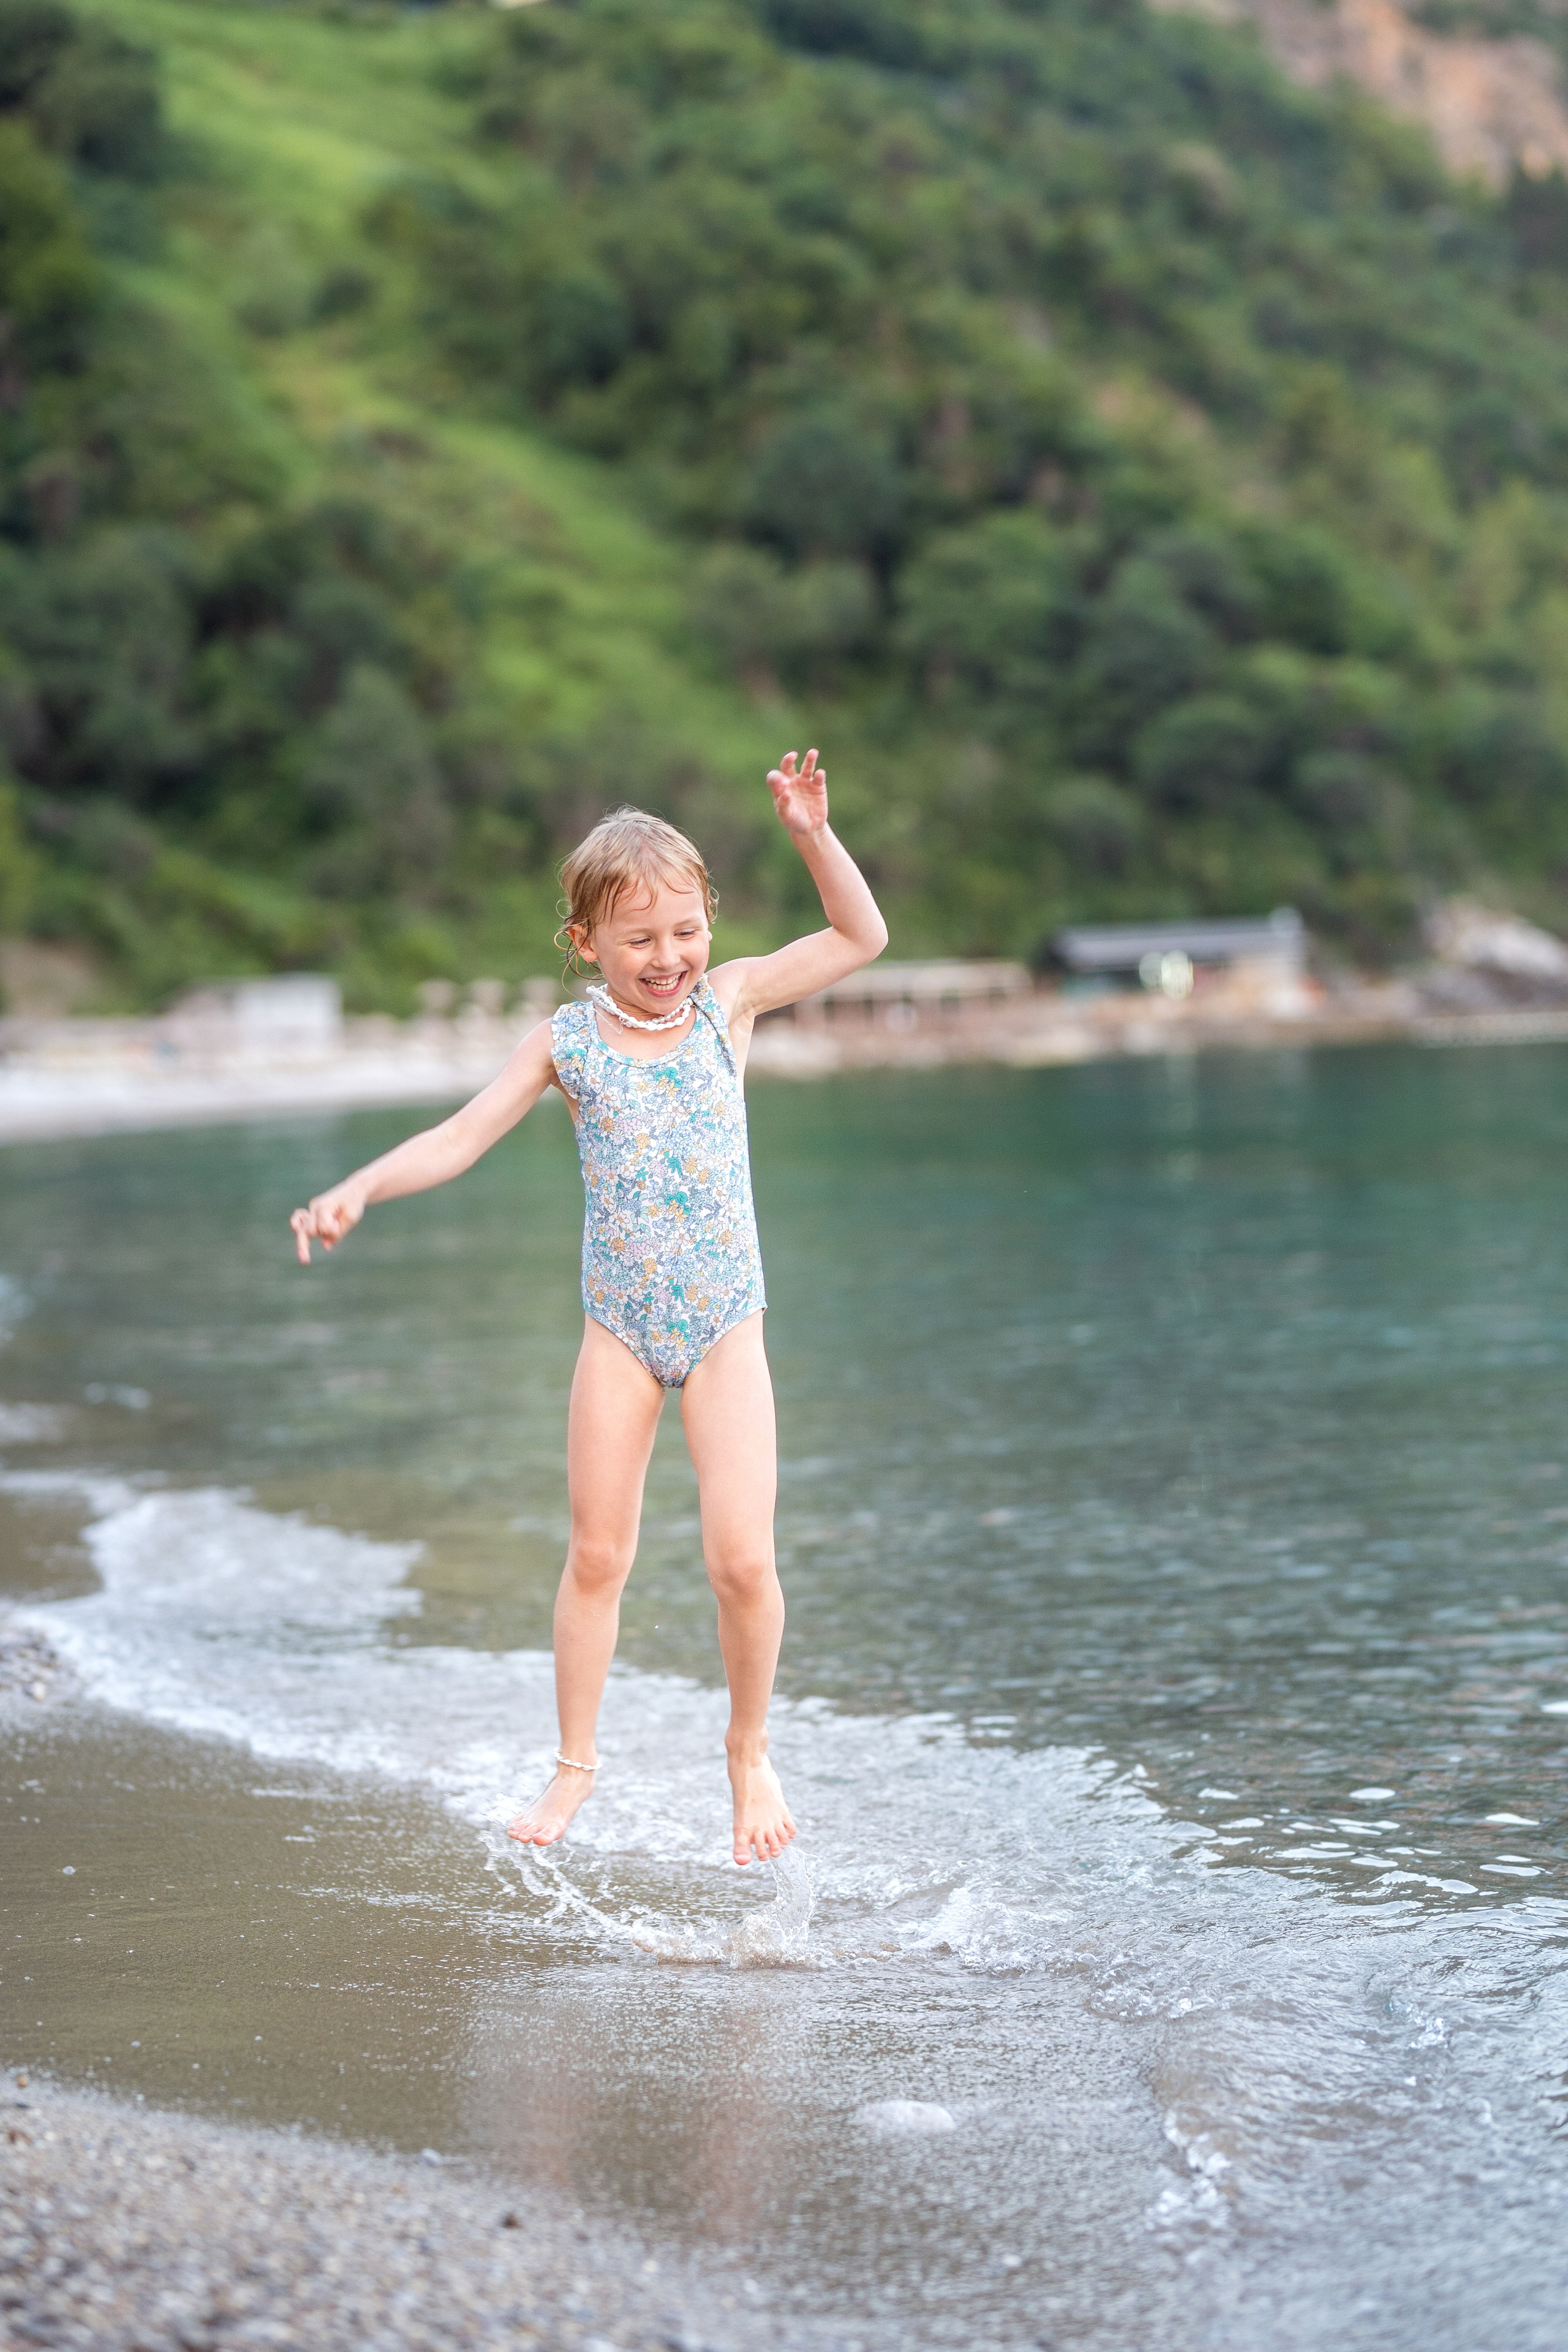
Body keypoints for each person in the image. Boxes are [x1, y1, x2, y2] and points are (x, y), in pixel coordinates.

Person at [290, 748, 887, 1864]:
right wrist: (361, 1184)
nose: (668, 959)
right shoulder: (566, 1043)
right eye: (639, 940)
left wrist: (811, 835)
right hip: (617, 1329)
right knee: (598, 1557)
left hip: (724, 1325)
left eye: (684, 931)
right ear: (587, 944)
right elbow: (459, 1138)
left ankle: (748, 1746)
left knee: (741, 1561)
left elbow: (862, 940)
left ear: (709, 921)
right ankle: (574, 1765)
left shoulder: (731, 1003)